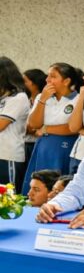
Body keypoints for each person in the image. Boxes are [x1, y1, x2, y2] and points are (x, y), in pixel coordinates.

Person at [23, 63, 82, 194]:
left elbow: (72, 128)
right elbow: (33, 124)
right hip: (44, 145)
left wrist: (46, 129)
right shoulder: (42, 97)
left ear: (66, 81)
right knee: (38, 182)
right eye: (48, 75)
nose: (47, 80)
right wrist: (43, 99)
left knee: (57, 185)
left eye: (53, 76)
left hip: (65, 146)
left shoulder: (78, 99)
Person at [0, 57, 31, 190]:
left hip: (8, 156)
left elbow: (1, 125)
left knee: (8, 199)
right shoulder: (4, 97)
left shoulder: (18, 97)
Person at [22, 68, 46, 164]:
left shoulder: (45, 100)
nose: (21, 84)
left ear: (34, 83)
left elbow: (34, 126)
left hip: (37, 144)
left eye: (24, 81)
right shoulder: (25, 100)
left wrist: (30, 129)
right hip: (23, 144)